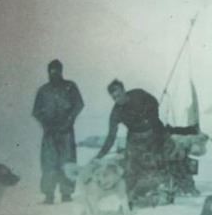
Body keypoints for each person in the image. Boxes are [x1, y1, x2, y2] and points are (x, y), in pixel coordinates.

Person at [94, 80, 179, 207]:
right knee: (130, 167)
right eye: (114, 98)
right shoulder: (116, 112)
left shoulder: (138, 94)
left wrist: (150, 118)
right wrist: (100, 155)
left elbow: (154, 103)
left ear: (123, 90)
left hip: (154, 131)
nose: (117, 99)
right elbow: (111, 136)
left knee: (160, 160)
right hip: (135, 138)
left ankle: (167, 190)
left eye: (118, 95)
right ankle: (130, 198)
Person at [31, 59, 84, 204]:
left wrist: (69, 120)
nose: (54, 74)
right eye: (51, 71)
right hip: (49, 133)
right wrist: (46, 124)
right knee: (49, 163)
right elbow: (36, 111)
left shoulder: (70, 87)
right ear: (48, 72)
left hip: (66, 132)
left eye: (57, 71)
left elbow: (79, 105)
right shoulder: (43, 90)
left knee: (68, 162)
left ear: (61, 71)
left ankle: (67, 193)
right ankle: (49, 194)